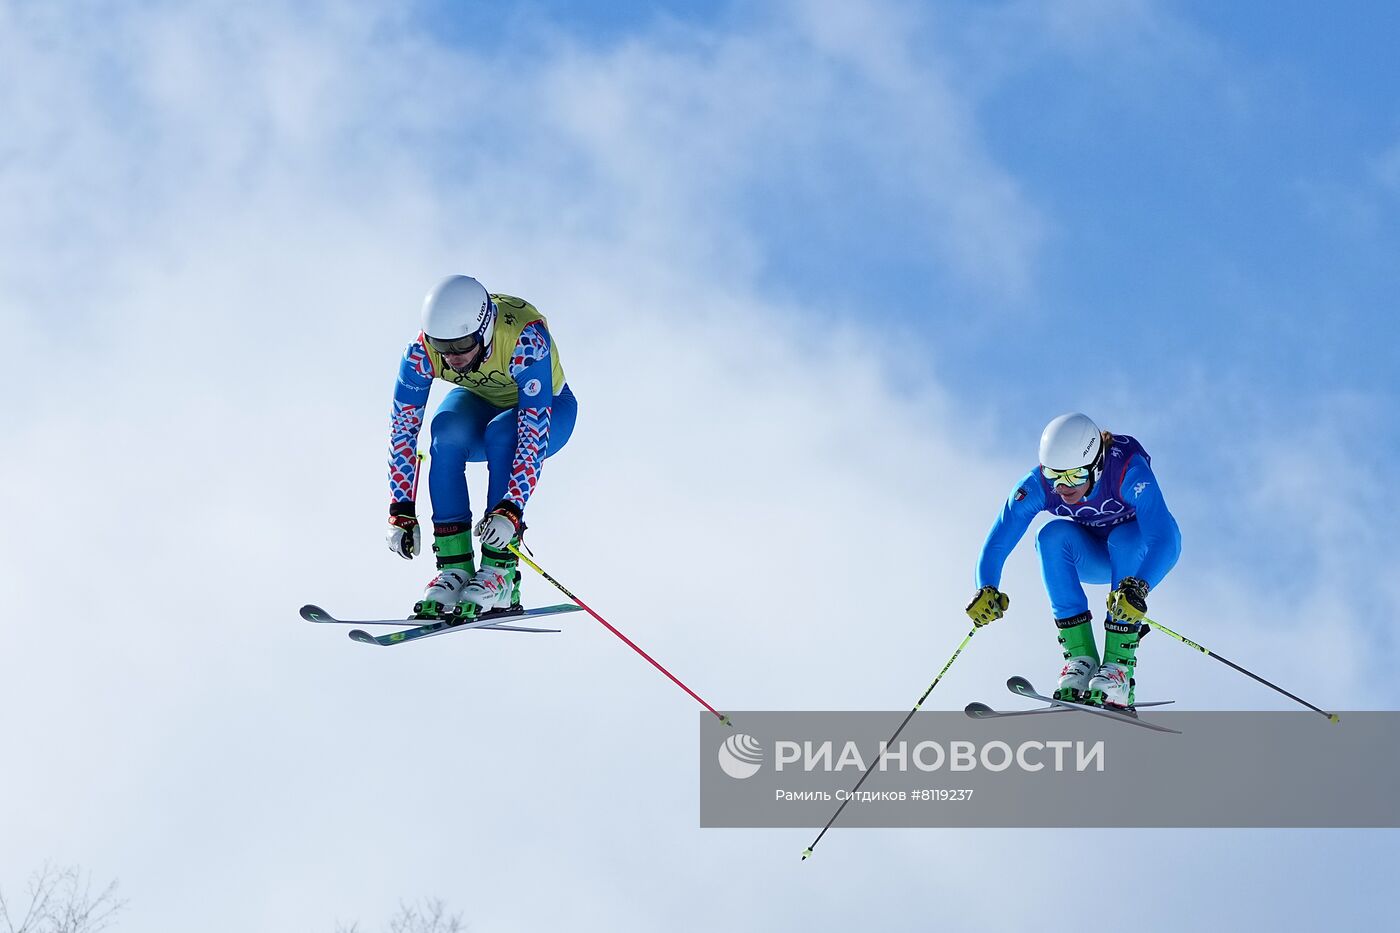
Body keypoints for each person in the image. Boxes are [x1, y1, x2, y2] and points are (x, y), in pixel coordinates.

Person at [384, 275, 578, 618]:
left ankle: (500, 575)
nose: (453, 358)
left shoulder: (524, 339)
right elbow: (403, 431)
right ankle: (454, 569)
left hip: (549, 410)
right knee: (445, 434)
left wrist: (510, 510)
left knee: (504, 434)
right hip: (481, 401)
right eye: (443, 347)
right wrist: (401, 507)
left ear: (485, 330)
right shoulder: (420, 353)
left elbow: (531, 433)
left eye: (462, 346)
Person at [965, 412, 1181, 709]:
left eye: (1075, 476)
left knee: (1125, 539)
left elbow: (1167, 541)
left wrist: (1139, 588)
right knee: (1050, 537)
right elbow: (999, 540)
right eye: (1055, 477)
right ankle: (1082, 658)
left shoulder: (1128, 473)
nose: (1063, 488)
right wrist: (985, 586)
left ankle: (1119, 670)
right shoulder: (1037, 485)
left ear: (1096, 464)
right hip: (1092, 556)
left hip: (1138, 553)